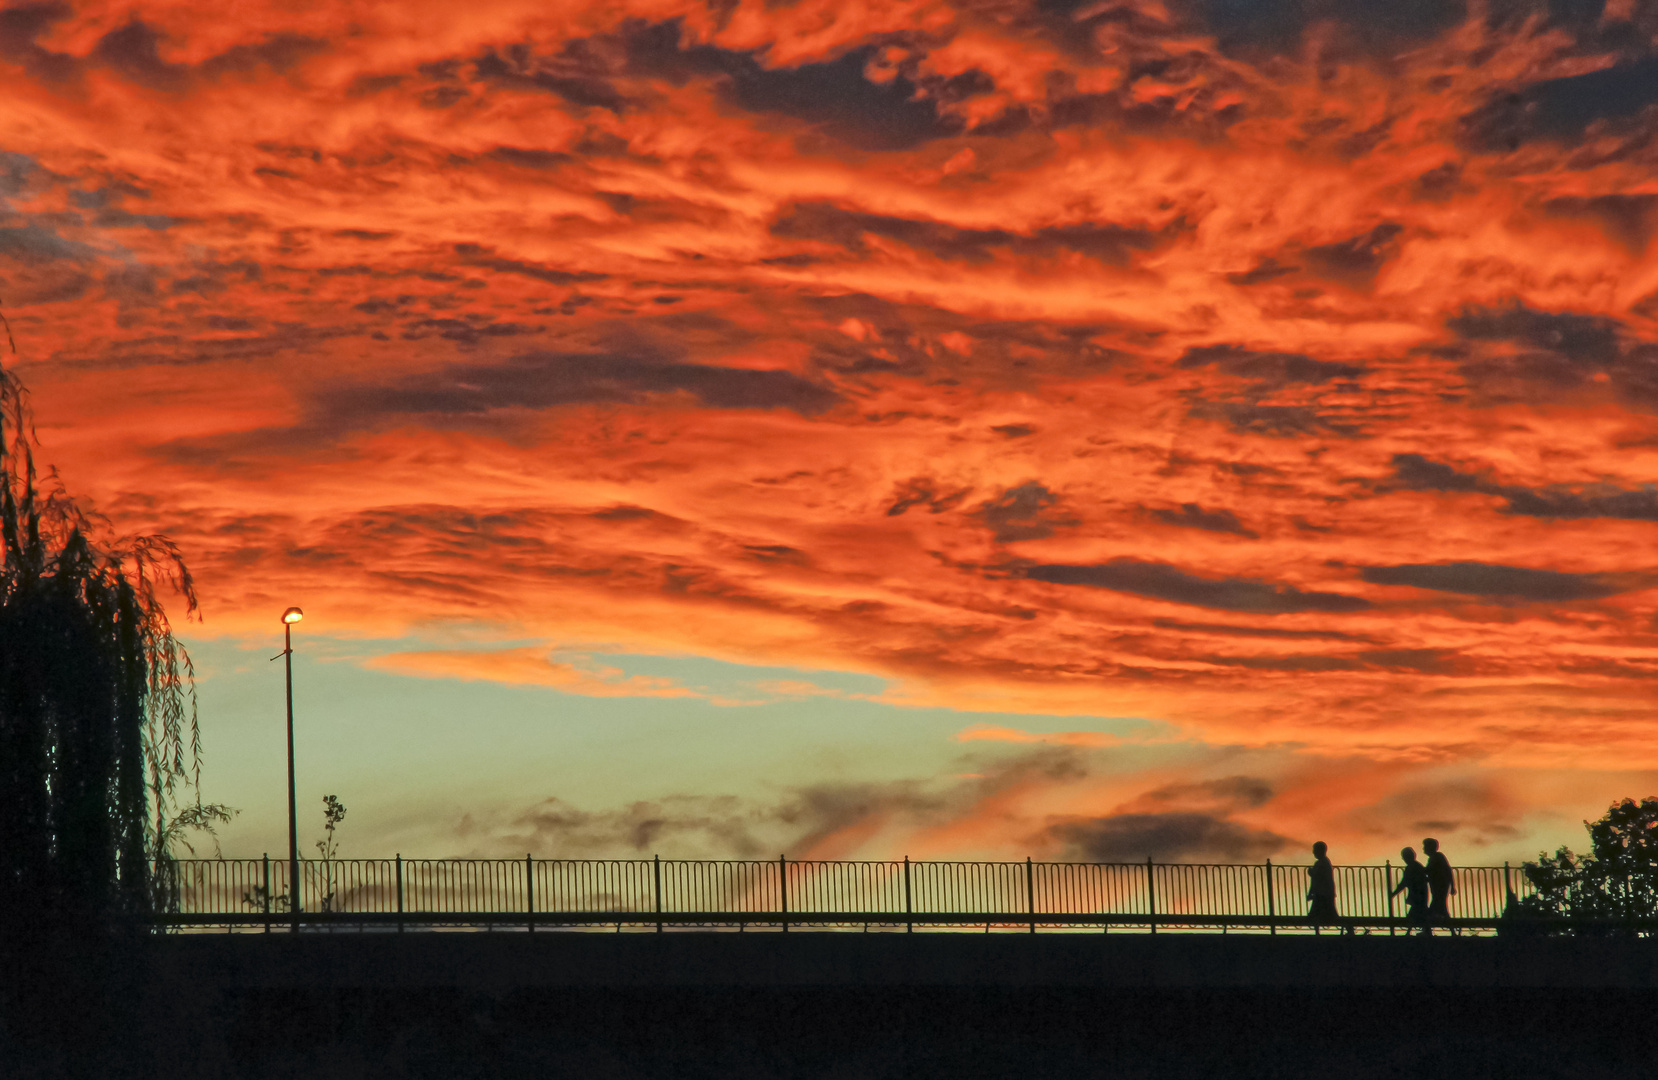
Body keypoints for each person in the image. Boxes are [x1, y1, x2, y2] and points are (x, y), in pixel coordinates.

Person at [1390, 846, 1430, 935]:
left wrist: (1394, 893)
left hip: (1417, 895)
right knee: (1420, 913)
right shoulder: (1418, 866)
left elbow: (1404, 882)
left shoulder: (1411, 867)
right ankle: (1426, 931)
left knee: (1414, 914)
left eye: (1404, 857)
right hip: (1421, 894)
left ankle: (1413, 932)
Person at [1306, 841, 1343, 933]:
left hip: (1323, 894)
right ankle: (1345, 927)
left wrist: (1311, 873)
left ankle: (1345, 927)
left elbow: (1318, 877)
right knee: (1326, 914)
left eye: (1315, 850)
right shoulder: (1324, 862)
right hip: (1324, 893)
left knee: (1319, 915)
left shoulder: (1322, 863)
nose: (1313, 852)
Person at [1423, 837, 1457, 934]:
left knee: (1436, 909)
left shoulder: (1437, 857)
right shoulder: (1435, 858)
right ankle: (1451, 931)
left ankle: (1427, 931)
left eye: (1425, 846)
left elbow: (1445, 871)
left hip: (1440, 888)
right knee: (1442, 909)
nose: (1423, 849)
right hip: (1438, 888)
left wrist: (1452, 886)